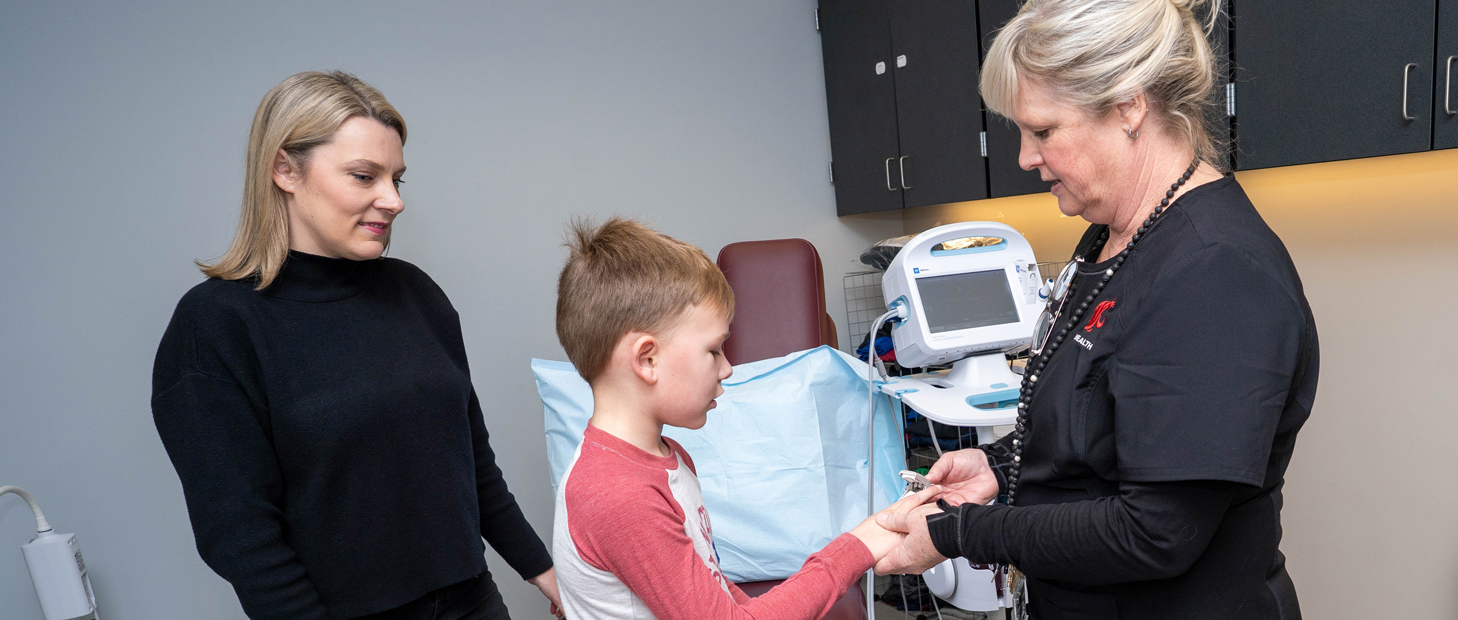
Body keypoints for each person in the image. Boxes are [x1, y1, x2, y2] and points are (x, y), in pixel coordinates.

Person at [873, 0, 1320, 618]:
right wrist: (1001, 466)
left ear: (1128, 105)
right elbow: (1098, 425)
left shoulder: (1215, 272)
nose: (1025, 157)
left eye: (1044, 131)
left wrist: (956, 534)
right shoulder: (1110, 240)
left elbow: (1154, 532)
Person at [152, 71, 563, 620]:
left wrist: (547, 575)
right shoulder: (216, 326)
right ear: (284, 169)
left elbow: (472, 467)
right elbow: (240, 533)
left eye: (397, 179)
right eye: (364, 176)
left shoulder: (416, 294)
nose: (391, 200)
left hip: (474, 601)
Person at [547, 218, 932, 620]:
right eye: (713, 351)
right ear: (647, 359)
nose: (727, 368)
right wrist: (859, 545)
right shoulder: (619, 495)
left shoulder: (667, 456)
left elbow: (711, 589)